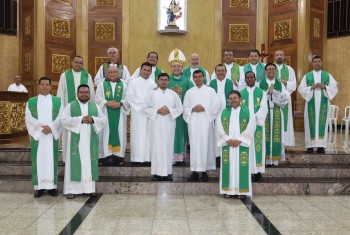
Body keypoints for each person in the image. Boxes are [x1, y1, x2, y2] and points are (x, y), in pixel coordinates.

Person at [61, 84, 107, 199]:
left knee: (88, 164)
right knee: (74, 163)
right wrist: (80, 120)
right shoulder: (70, 106)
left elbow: (103, 120)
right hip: (75, 142)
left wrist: (93, 119)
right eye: (81, 92)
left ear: (89, 94)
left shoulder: (95, 107)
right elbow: (64, 120)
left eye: (86, 92)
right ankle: (71, 189)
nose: (84, 94)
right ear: (77, 94)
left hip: (90, 141)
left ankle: (89, 189)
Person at [25, 77, 63, 198]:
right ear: (38, 86)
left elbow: (61, 117)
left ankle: (52, 187)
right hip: (38, 136)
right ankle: (39, 188)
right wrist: (42, 128)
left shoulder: (58, 101)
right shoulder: (31, 101)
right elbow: (29, 118)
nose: (45, 86)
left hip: (51, 135)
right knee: (39, 160)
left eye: (47, 84)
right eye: (42, 84)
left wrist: (51, 127)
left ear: (51, 87)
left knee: (52, 160)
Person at [216, 90, 256, 198]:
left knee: (241, 166)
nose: (233, 100)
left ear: (240, 99)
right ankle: (227, 191)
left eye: (235, 98)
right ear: (228, 100)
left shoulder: (248, 111)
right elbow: (219, 126)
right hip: (228, 144)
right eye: (231, 98)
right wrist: (227, 139)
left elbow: (251, 126)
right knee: (227, 166)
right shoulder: (223, 112)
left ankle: (241, 191)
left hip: (241, 144)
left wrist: (240, 139)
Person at [144, 73, 183, 181]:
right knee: (156, 147)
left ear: (168, 81)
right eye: (161, 79)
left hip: (169, 125)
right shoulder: (151, 94)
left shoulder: (173, 94)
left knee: (168, 147)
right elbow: (145, 108)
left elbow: (180, 108)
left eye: (165, 80)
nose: (163, 81)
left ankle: (168, 173)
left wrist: (169, 110)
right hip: (155, 124)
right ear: (158, 80)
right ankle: (156, 173)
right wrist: (157, 110)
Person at [183, 70, 220, 181]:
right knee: (194, 146)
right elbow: (184, 108)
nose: (198, 79)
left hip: (206, 122)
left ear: (203, 77)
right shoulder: (189, 92)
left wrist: (204, 108)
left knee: (206, 145)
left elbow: (216, 106)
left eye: (200, 76)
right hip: (193, 122)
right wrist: (192, 109)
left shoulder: (211, 91)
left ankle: (204, 171)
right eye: (195, 77)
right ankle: (194, 171)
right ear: (193, 78)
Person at [57, 56, 95, 162]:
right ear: (71, 63)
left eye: (80, 62)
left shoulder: (87, 76)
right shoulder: (64, 75)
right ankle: (67, 159)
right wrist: (62, 111)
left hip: (85, 111)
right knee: (68, 136)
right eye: (76, 62)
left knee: (84, 136)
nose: (78, 64)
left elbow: (91, 93)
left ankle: (84, 158)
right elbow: (61, 93)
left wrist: (92, 110)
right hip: (69, 112)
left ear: (83, 64)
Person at [298, 55, 338, 153]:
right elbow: (301, 89)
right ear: (312, 63)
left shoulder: (327, 75)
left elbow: (334, 88)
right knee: (309, 124)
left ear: (322, 63)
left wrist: (325, 87)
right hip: (311, 103)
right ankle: (310, 146)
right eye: (315, 61)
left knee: (322, 125)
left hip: (323, 103)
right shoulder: (307, 76)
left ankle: (321, 146)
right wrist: (312, 87)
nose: (317, 63)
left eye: (319, 61)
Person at [96, 66, 130, 166]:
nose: (112, 73)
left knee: (119, 132)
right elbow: (97, 98)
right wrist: (106, 103)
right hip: (105, 113)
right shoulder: (101, 85)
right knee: (105, 133)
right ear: (107, 73)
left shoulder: (124, 85)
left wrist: (120, 103)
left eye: (114, 72)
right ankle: (105, 156)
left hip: (120, 113)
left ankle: (118, 157)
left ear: (118, 73)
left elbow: (128, 98)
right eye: (110, 72)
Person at [126, 62, 157, 165]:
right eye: (144, 70)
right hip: (138, 112)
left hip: (149, 114)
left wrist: (149, 107)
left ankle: (147, 158)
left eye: (148, 70)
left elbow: (155, 98)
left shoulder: (153, 84)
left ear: (151, 72)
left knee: (148, 135)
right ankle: (137, 159)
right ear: (140, 70)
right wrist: (143, 105)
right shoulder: (133, 82)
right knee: (137, 135)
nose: (146, 72)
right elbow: (130, 96)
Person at [258, 63, 289, 166]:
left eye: (273, 69)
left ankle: (275, 160)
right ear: (265, 71)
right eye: (268, 69)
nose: (271, 71)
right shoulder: (259, 84)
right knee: (264, 136)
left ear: (275, 71)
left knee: (276, 135)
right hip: (264, 113)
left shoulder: (280, 84)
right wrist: (268, 92)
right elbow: (258, 99)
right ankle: (265, 159)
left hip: (276, 112)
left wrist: (274, 92)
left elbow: (285, 99)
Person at [167, 48, 194, 166]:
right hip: (169, 113)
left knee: (180, 133)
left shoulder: (187, 81)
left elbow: (192, 96)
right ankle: (169, 156)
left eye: (178, 66)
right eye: (174, 67)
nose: (176, 68)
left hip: (182, 113)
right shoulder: (166, 80)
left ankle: (179, 157)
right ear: (171, 68)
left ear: (182, 68)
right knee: (169, 133)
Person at [240, 71, 268, 181]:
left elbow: (263, 108)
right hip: (245, 124)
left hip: (257, 124)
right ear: (245, 79)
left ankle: (258, 172)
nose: (249, 79)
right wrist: (247, 119)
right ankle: (246, 170)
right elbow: (239, 108)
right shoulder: (241, 93)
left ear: (255, 78)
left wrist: (254, 118)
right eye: (247, 77)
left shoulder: (261, 92)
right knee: (246, 146)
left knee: (258, 147)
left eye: (251, 77)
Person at [209, 64, 235, 167]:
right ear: (215, 72)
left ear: (226, 72)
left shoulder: (231, 83)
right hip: (215, 116)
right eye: (218, 71)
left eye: (222, 70)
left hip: (228, 114)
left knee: (227, 134)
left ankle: (227, 156)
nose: (220, 72)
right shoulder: (211, 83)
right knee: (216, 136)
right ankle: (216, 157)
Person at [275, 50, 296, 148]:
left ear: (284, 57)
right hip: (272, 99)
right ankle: (274, 142)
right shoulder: (270, 68)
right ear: (274, 57)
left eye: (281, 55)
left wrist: (285, 83)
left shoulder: (289, 69)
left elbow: (294, 84)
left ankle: (285, 143)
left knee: (285, 119)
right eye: (277, 55)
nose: (279, 56)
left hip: (285, 99)